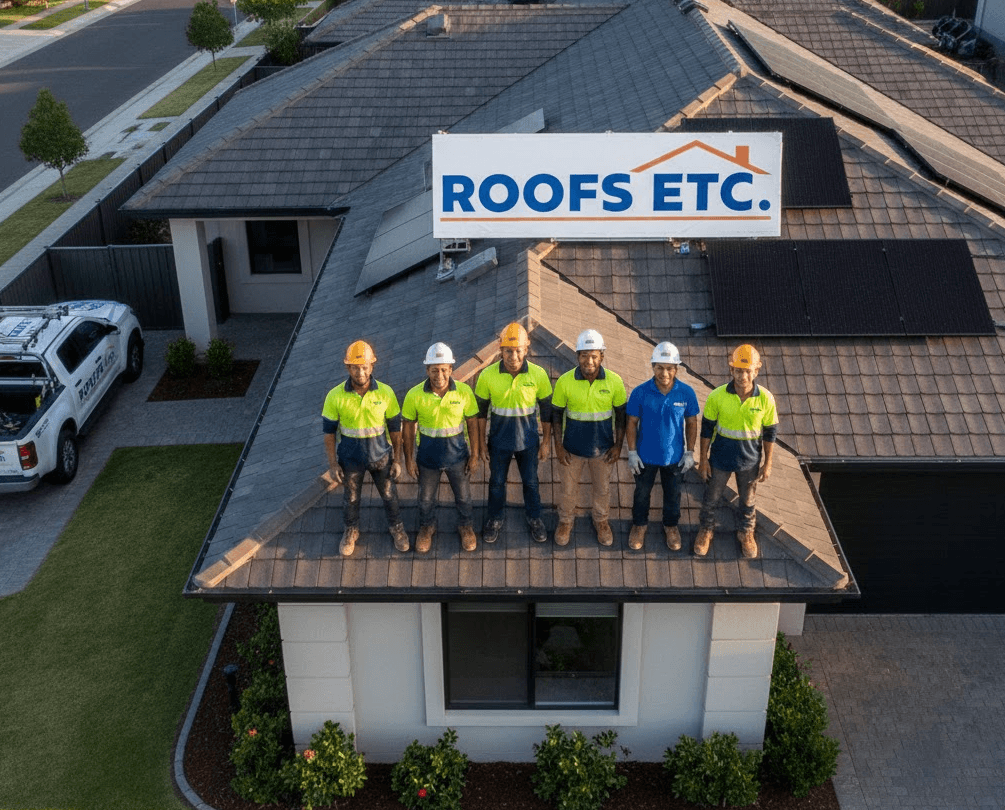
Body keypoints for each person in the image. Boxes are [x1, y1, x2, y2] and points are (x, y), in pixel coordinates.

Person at [322, 340, 409, 556]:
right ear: (348, 368)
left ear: (372, 366)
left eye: (364, 367)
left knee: (389, 495)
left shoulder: (385, 393)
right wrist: (333, 464)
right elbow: (329, 434)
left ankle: (397, 528)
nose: (360, 372)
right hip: (351, 460)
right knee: (351, 498)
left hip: (381, 458)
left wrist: (397, 460)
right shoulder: (335, 396)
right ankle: (351, 531)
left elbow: (395, 430)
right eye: (355, 367)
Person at [695, 344, 778, 559]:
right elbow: (706, 430)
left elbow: (770, 434)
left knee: (748, 501)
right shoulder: (717, 396)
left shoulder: (766, 399)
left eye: (747, 371)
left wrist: (767, 464)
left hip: (749, 462)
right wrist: (703, 460)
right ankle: (706, 530)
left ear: (756, 371)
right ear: (731, 370)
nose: (743, 376)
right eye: (738, 371)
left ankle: (746, 533)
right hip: (720, 459)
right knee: (711, 498)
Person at [475, 322, 553, 544]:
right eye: (508, 351)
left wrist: (546, 442)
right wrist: (480, 445)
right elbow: (480, 415)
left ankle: (535, 518)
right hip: (498, 442)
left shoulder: (538, 375)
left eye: (518, 350)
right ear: (501, 350)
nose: (513, 356)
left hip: (528, 442)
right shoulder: (487, 376)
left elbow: (547, 412)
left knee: (530, 482)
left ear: (526, 349)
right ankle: (494, 519)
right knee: (497, 482)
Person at [551, 329, 627, 546]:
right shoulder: (565, 381)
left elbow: (621, 416)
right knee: (567, 490)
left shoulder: (614, 381)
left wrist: (618, 446)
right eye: (584, 355)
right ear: (577, 356)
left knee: (602, 490)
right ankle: (565, 521)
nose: (589, 360)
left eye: (594, 355)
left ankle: (601, 521)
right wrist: (558, 446)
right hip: (571, 450)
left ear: (602, 356)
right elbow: (556, 414)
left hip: (603, 450)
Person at [402, 342, 480, 553]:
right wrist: (408, 459)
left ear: (451, 370)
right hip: (427, 461)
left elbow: (473, 423)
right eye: (434, 370)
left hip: (458, 459)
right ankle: (427, 528)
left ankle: (466, 526)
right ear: (427, 370)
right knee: (425, 499)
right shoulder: (414, 395)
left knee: (463, 497)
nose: (439, 375)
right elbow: (407, 428)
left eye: (444, 370)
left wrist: (475, 456)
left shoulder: (464, 392)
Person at [625, 342, 700, 551]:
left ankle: (671, 527)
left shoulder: (686, 393)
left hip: (674, 457)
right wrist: (632, 452)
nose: (664, 373)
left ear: (676, 369)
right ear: (653, 367)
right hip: (645, 456)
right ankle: (639, 526)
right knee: (641, 494)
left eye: (669, 368)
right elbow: (630, 423)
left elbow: (692, 422)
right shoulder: (640, 392)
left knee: (673, 495)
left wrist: (690, 452)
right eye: (660, 367)